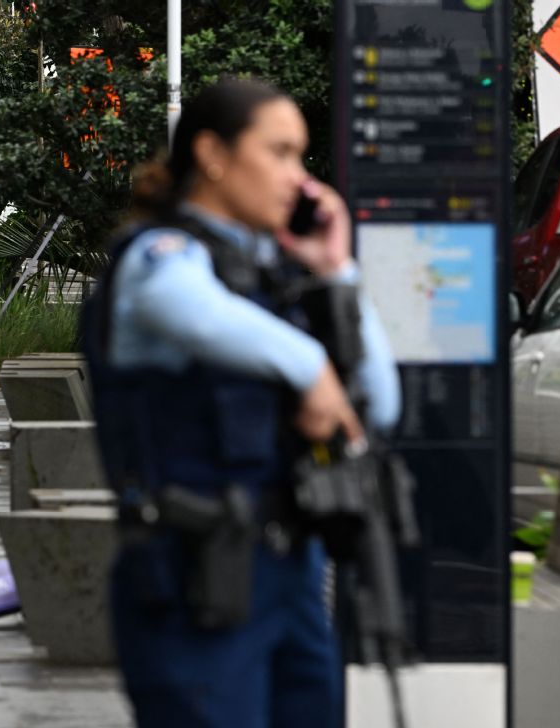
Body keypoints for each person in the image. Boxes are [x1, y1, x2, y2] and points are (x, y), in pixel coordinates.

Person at [81, 78, 400, 728]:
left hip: (291, 579)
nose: (299, 179)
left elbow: (380, 405)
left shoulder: (276, 278)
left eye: (302, 157)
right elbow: (188, 310)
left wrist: (335, 271)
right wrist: (310, 367)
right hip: (198, 579)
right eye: (279, 153)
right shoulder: (160, 258)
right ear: (213, 155)